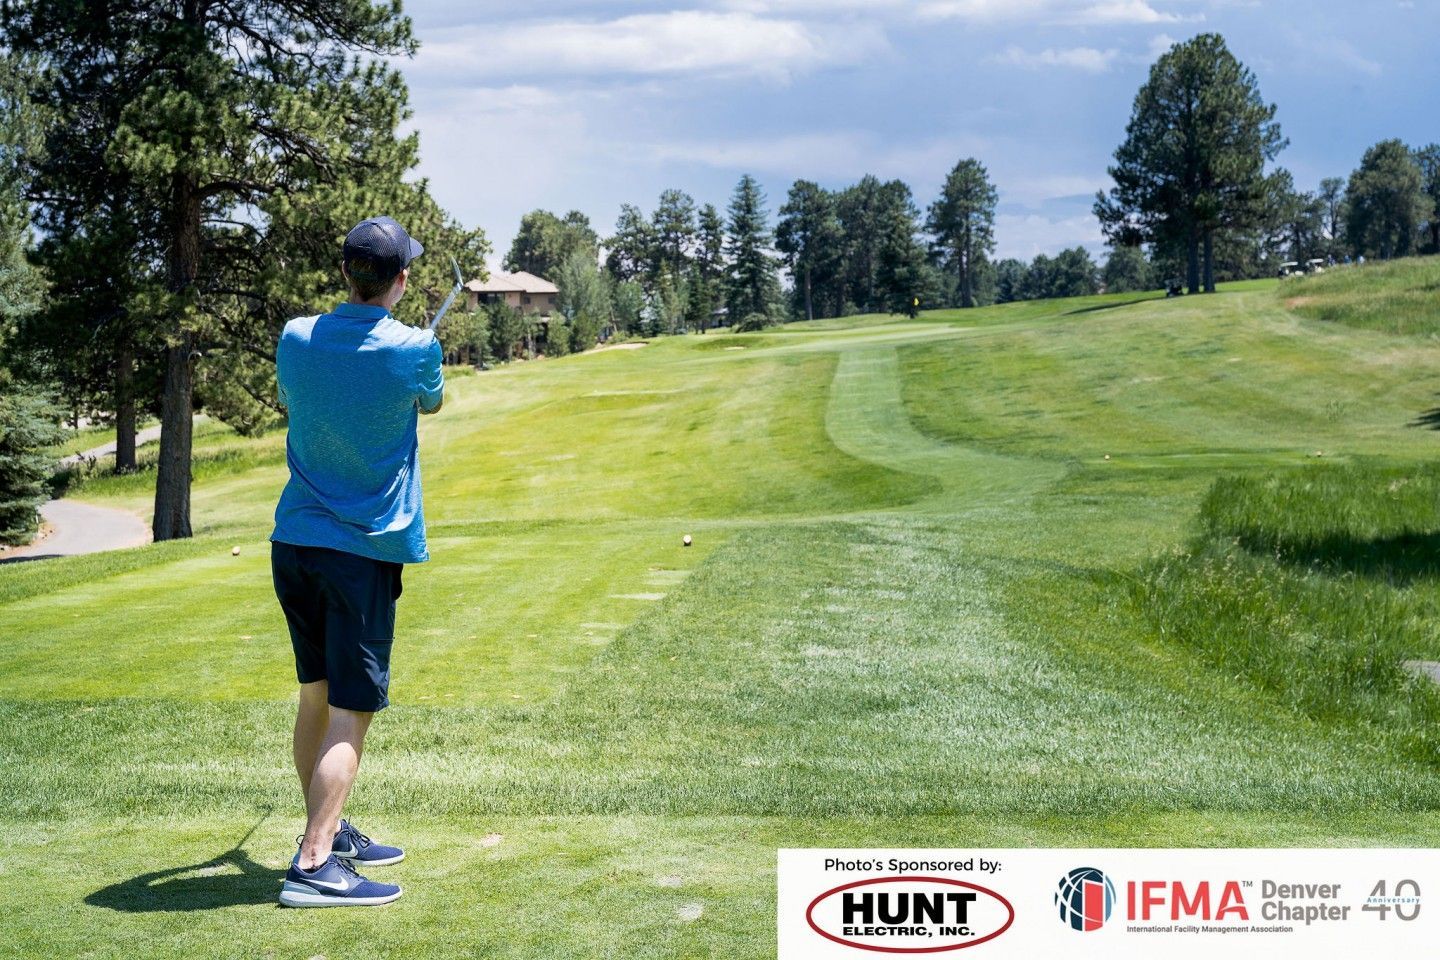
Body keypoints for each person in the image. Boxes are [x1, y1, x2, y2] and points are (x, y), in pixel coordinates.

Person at [269, 216, 444, 907]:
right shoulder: (416, 347)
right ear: (401, 279)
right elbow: (431, 400)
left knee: (316, 696)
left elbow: (299, 396)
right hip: (361, 553)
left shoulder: (295, 336)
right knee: (351, 712)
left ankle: (329, 828)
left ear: (345, 272)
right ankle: (314, 864)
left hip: (294, 545)